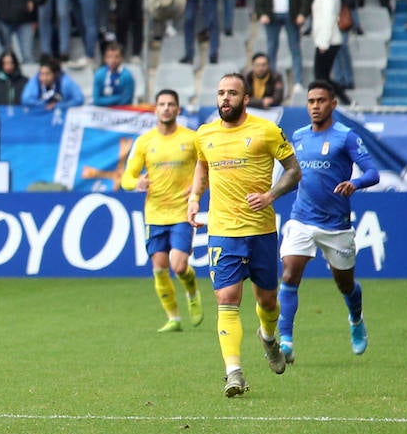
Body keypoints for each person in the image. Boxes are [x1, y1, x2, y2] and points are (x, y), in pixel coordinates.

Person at [187, 73, 301, 397]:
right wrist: (195, 198)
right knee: (226, 299)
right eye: (221, 92)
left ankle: (267, 337)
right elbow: (201, 165)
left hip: (261, 231)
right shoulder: (205, 134)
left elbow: (294, 171)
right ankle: (233, 372)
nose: (225, 98)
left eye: (232, 93)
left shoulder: (265, 131)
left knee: (267, 302)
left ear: (245, 98)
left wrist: (270, 196)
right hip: (223, 231)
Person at [261, 81, 379, 363]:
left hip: (336, 225)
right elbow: (291, 177)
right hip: (301, 219)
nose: (315, 106)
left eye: (321, 100)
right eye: (311, 101)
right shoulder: (298, 137)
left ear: (333, 104)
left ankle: (355, 319)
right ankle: (286, 342)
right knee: (289, 274)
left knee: (345, 284)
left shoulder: (346, 137)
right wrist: (270, 195)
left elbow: (373, 172)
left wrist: (355, 182)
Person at [121, 89, 203, 332]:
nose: (166, 108)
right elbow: (127, 175)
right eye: (162, 104)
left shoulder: (192, 139)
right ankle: (174, 319)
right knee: (159, 267)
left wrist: (199, 187)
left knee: (178, 265)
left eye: (170, 104)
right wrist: (136, 183)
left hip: (181, 212)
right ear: (155, 109)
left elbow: (207, 167)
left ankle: (191, 290)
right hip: (155, 213)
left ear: (178, 110)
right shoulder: (145, 141)